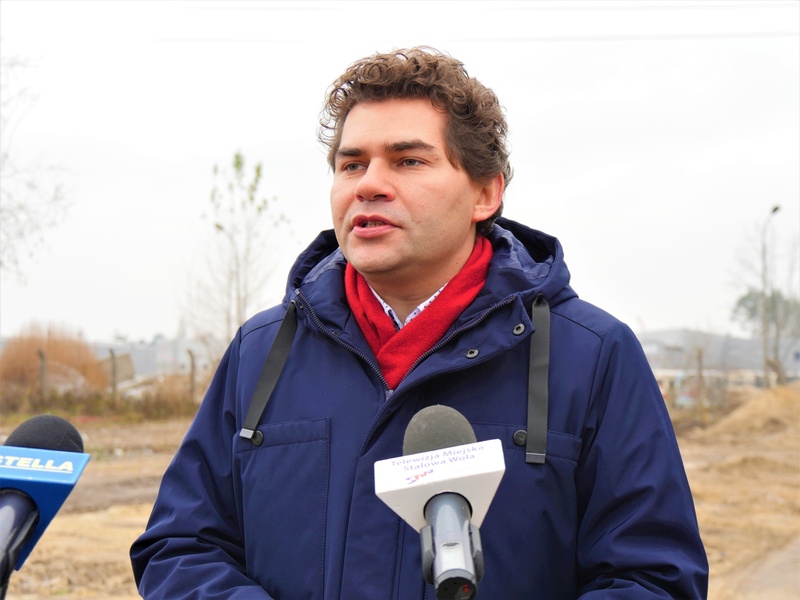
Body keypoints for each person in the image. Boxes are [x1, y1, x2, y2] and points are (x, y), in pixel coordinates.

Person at [131, 47, 708, 598]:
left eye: (408, 160)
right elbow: (181, 545)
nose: (368, 184)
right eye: (351, 164)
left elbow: (653, 578)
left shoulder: (592, 356)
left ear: (485, 193)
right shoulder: (262, 352)